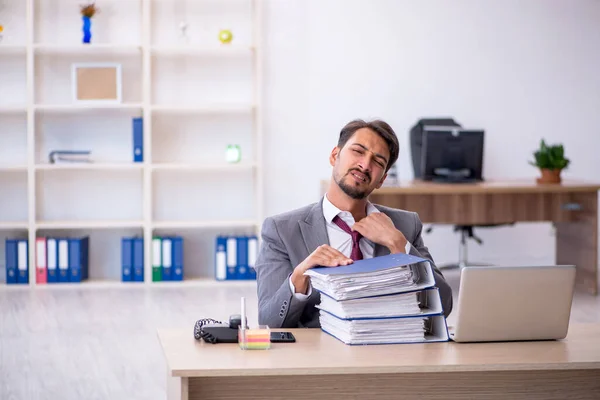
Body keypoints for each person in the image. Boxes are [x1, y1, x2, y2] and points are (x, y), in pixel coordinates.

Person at [255, 119, 453, 328]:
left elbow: (444, 306)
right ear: (335, 156)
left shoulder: (405, 225)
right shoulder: (282, 230)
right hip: (321, 354)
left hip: (389, 350)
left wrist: (399, 246)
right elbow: (269, 322)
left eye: (377, 161)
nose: (365, 165)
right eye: (358, 151)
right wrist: (299, 276)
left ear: (382, 180)